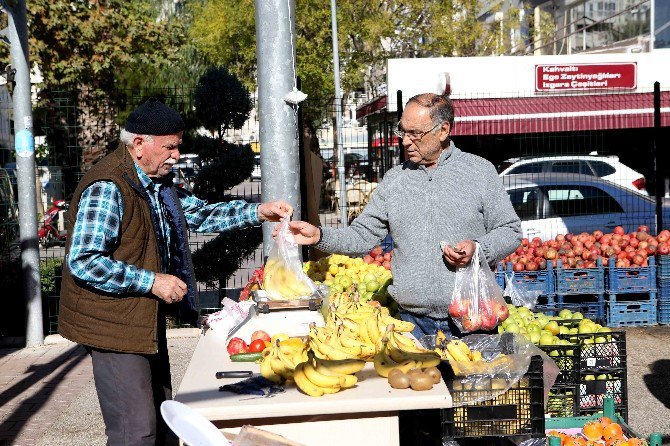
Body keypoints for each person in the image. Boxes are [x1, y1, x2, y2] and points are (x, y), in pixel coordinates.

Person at [58, 98, 292, 446]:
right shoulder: (108, 186)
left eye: (177, 146)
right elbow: (84, 260)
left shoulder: (156, 183)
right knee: (134, 430)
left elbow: (199, 214)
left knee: (163, 418)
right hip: (113, 325)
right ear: (139, 145)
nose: (176, 155)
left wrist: (259, 211)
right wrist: (152, 281)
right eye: (170, 147)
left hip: (141, 318)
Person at [282, 93, 521, 339]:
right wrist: (319, 236)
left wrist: (478, 248)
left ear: (443, 130)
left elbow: (510, 230)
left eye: (415, 133)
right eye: (403, 132)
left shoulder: (479, 172)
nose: (406, 141)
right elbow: (362, 235)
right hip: (411, 325)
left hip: (474, 320)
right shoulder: (395, 180)